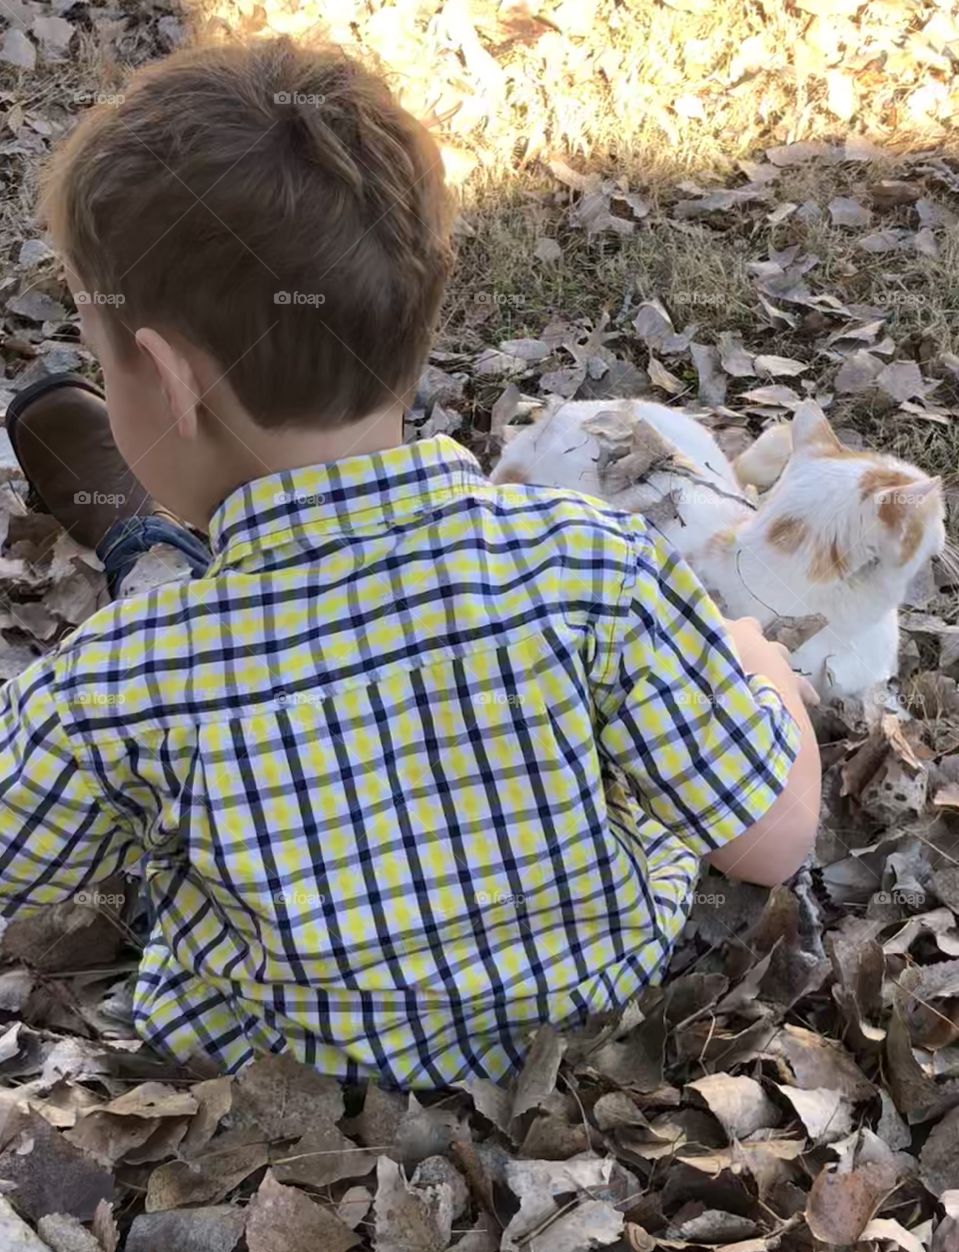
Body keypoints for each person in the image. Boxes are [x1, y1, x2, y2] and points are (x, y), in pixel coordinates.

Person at [0, 37, 820, 1088]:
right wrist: (762, 673)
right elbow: (770, 840)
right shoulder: (587, 571)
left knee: (168, 663)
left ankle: (145, 547)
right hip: (570, 1029)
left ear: (162, 380)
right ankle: (152, 546)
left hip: (276, 1080)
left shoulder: (110, 686)